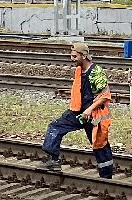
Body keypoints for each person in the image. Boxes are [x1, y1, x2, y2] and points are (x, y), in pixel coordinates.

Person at [38, 40, 114, 177]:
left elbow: (105, 95)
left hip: (93, 115)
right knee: (55, 127)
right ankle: (53, 160)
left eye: (74, 56)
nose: (72, 59)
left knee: (100, 145)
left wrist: (89, 110)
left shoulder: (96, 72)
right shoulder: (79, 70)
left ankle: (107, 177)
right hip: (78, 112)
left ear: (83, 56)